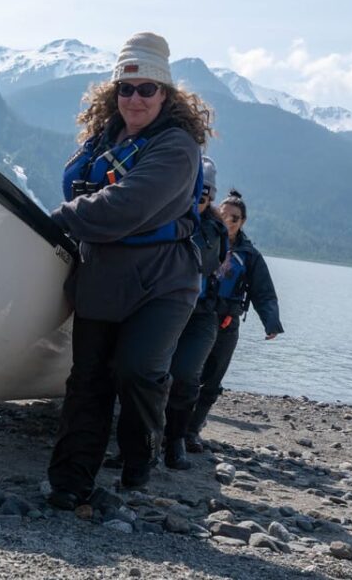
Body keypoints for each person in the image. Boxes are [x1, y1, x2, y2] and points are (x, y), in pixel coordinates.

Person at [46, 31, 213, 509]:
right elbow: (82, 193)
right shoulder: (102, 141)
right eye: (125, 88)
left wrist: (54, 219)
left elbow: (125, 206)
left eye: (146, 89)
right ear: (113, 92)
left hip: (164, 280)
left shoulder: (177, 147)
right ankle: (69, 481)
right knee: (88, 380)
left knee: (138, 371)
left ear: (166, 94)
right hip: (102, 275)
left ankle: (140, 455)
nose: (134, 99)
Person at [184, 189, 285, 451]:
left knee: (212, 379)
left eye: (235, 218)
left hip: (227, 321)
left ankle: (192, 430)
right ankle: (171, 427)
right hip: (194, 316)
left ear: (243, 222)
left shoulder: (249, 255)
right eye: (224, 215)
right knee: (185, 373)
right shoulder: (201, 238)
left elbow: (263, 292)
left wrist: (271, 322)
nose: (228, 221)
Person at [162, 156, 230, 469]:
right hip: (160, 307)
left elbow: (204, 262)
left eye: (206, 194)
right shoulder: (160, 214)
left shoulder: (214, 230)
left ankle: (176, 439)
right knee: (148, 373)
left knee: (187, 373)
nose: (201, 199)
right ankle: (143, 440)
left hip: (200, 314)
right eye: (195, 192)